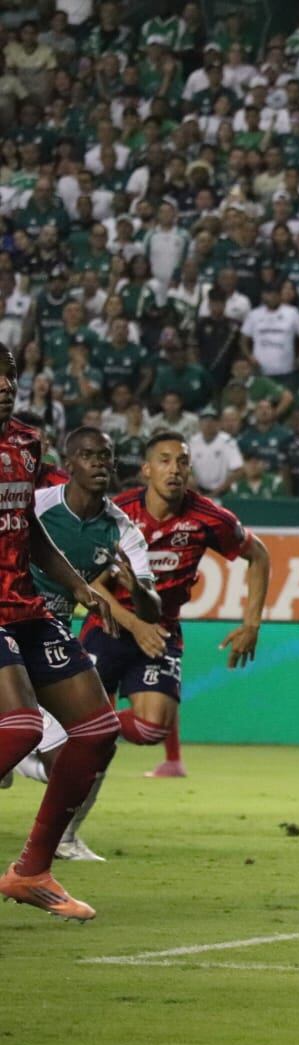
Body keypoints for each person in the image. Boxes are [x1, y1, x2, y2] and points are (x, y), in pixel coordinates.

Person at [0, 343, 125, 921]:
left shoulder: (26, 443)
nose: (4, 386)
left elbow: (25, 531)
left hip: (23, 605)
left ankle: (31, 871)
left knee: (99, 731)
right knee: (22, 726)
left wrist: (74, 582)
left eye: (10, 376)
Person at [14, 426, 165, 862]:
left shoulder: (121, 530)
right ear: (69, 464)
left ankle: (59, 838)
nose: (99, 463)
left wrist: (136, 589)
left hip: (49, 635)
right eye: (89, 455)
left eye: (106, 456)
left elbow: (152, 607)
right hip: (11, 622)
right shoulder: (39, 506)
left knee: (97, 740)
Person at [83, 431, 272, 779]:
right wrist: (134, 624)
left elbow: (258, 555)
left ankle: (81, 728)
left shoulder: (207, 517)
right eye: (164, 461)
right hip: (108, 624)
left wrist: (252, 624)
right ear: (146, 470)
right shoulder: (116, 514)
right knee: (86, 751)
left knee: (149, 729)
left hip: (162, 629)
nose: (174, 470)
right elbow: (89, 582)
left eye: (182, 462)